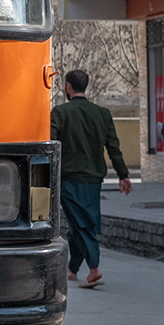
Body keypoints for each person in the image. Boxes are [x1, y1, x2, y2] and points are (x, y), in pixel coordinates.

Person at [50, 69, 132, 289]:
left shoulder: (59, 113)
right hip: (94, 180)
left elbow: (50, 147)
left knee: (81, 224)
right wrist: (123, 175)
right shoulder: (102, 114)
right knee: (82, 222)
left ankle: (94, 269)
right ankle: (72, 269)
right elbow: (113, 148)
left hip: (68, 179)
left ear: (68, 86)